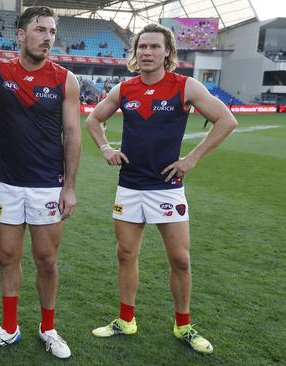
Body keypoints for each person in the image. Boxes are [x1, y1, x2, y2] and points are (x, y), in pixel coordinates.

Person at [84, 23, 237, 355]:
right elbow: (93, 120)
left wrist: (192, 159)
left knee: (180, 259)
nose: (147, 52)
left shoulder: (185, 86)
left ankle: (183, 325)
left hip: (167, 188)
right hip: (130, 186)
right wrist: (105, 148)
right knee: (126, 254)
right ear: (135, 53)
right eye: (142, 47)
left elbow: (226, 120)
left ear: (168, 52)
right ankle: (126, 320)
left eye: (154, 47)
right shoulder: (124, 90)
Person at [0, 6, 81, 359]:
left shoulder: (65, 78)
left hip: (48, 184)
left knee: (46, 260)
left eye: (51, 31)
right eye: (40, 30)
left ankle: (48, 328)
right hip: (7, 182)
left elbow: (73, 134)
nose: (47, 37)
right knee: (7, 257)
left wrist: (69, 187)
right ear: (21, 34)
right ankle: (9, 327)